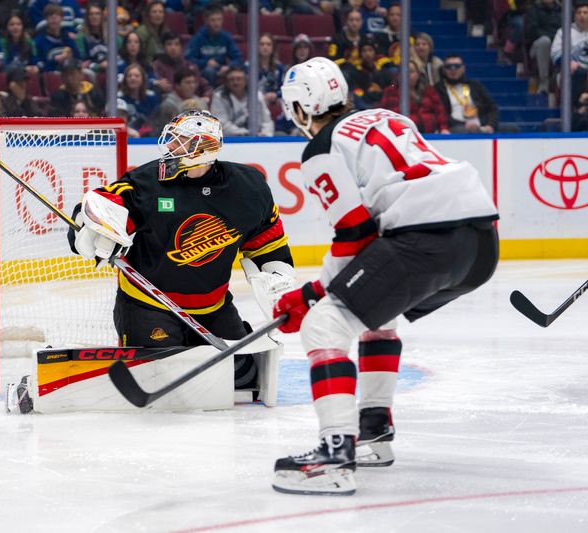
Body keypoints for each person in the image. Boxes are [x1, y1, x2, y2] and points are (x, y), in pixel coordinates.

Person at [272, 57, 498, 496]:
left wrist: (314, 295)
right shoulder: (389, 117)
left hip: (426, 238)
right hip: (480, 243)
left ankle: (334, 455)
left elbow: (354, 233)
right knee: (377, 311)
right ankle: (373, 430)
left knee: (326, 324)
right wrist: (321, 289)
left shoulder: (321, 147)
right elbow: (371, 240)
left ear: (304, 106)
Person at [67, 109, 295, 392]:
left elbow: (267, 241)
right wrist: (89, 224)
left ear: (204, 148)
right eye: (171, 140)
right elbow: (108, 201)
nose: (170, 147)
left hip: (214, 307)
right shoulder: (149, 182)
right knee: (166, 381)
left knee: (243, 378)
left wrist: (276, 273)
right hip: (148, 305)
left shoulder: (248, 188)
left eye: (179, 141)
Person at [379, 59, 449, 134]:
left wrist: (443, 128)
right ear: (398, 75)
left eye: (411, 72)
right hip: (401, 135)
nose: (408, 75)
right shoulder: (390, 92)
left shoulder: (429, 90)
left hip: (430, 135)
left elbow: (440, 112)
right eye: (404, 72)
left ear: (418, 74)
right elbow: (385, 115)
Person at [434, 54, 499, 134]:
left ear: (463, 69)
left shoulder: (474, 85)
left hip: (481, 126)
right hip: (456, 127)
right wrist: (464, 124)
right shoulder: (438, 89)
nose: (453, 69)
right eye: (449, 66)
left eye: (457, 66)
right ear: (444, 69)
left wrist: (490, 125)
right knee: (461, 130)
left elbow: (492, 107)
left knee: (511, 129)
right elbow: (441, 115)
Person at [185, 4, 242, 86]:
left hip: (221, 69)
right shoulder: (198, 38)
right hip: (204, 71)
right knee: (209, 71)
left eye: (219, 19)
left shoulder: (226, 37)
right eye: (213, 20)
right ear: (206, 20)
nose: (217, 23)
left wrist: (229, 66)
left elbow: (238, 58)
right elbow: (188, 59)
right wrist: (206, 62)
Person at [210, 65, 274, 136]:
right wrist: (245, 133)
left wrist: (265, 134)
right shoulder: (219, 97)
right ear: (227, 82)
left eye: (239, 79)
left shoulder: (256, 95)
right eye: (232, 79)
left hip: (257, 137)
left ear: (245, 81)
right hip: (230, 139)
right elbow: (220, 123)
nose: (235, 82)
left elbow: (267, 120)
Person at [526, 0, 560, 96]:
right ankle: (544, 81)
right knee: (544, 41)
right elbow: (531, 31)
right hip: (536, 46)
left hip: (557, 44)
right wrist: (552, 37)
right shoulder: (534, 10)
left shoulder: (562, 10)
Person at [34, 4, 77, 73]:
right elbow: (40, 65)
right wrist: (55, 61)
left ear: (62, 18)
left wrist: (70, 55)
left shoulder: (67, 38)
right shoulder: (39, 41)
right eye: (50, 15)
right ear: (46, 19)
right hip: (50, 76)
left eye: (57, 15)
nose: (53, 18)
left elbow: (78, 57)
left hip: (69, 73)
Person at [0, 11, 39, 76]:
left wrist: (36, 68)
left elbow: (35, 61)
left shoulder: (29, 42)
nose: (15, 27)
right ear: (6, 27)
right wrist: (23, 69)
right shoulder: (2, 42)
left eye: (18, 24)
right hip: (9, 77)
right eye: (12, 24)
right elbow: (4, 66)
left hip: (26, 75)